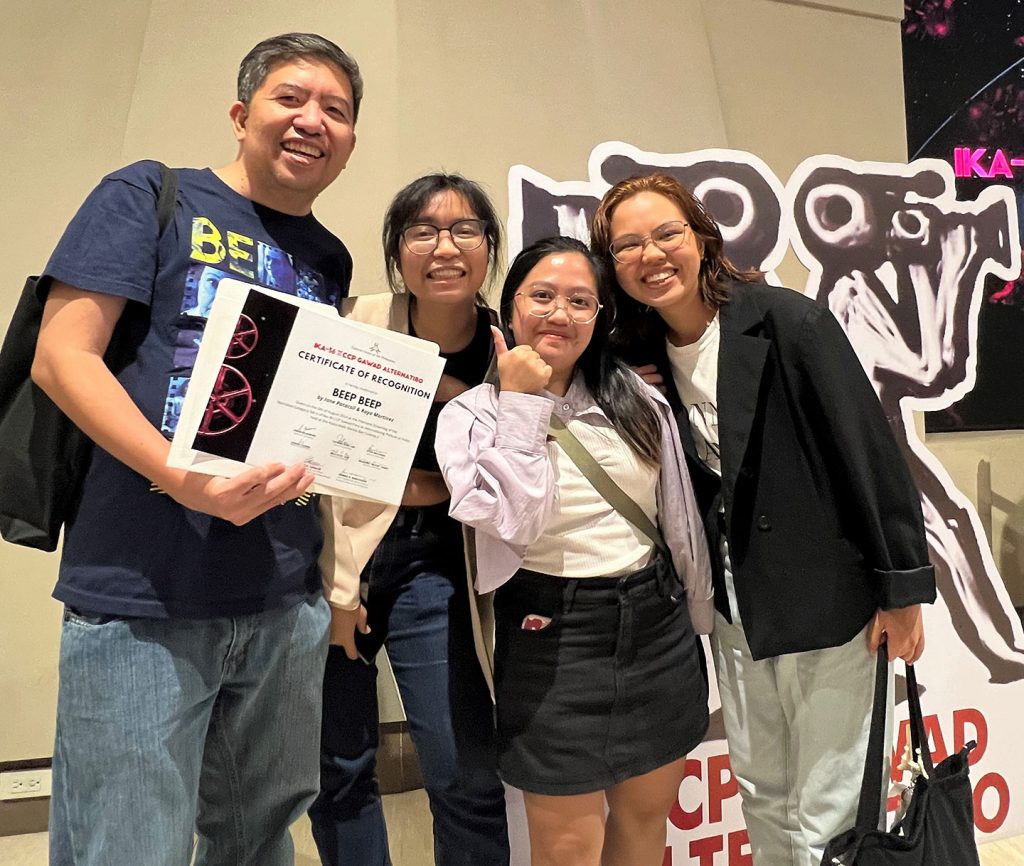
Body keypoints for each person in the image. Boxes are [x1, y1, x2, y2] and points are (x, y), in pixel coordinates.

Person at [31, 32, 361, 866]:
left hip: (283, 596)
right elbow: (61, 356)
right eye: (291, 98)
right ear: (241, 112)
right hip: (143, 590)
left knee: (258, 840)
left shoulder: (328, 256)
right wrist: (181, 476)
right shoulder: (151, 194)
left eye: (336, 109)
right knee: (128, 845)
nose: (311, 120)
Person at [590, 173, 937, 866]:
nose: (651, 254)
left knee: (832, 803)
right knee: (764, 791)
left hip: (828, 600)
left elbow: (867, 451)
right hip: (736, 607)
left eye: (666, 233)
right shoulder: (640, 358)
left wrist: (902, 587)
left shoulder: (783, 320)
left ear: (700, 237)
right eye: (628, 244)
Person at [435, 236, 713, 866]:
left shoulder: (637, 400)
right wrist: (525, 405)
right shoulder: (471, 418)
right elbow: (514, 520)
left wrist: (698, 617)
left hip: (655, 625)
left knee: (645, 823)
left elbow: (678, 522)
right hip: (551, 634)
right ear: (509, 309)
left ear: (600, 317)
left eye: (580, 301)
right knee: (566, 848)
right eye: (542, 296)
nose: (559, 313)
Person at [311, 174, 510, 866]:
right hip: (338, 562)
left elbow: (505, 489)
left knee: (463, 772)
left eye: (464, 230)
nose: (444, 247)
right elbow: (323, 461)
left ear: (490, 246)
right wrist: (339, 592)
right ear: (398, 250)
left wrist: (419, 487)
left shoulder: (508, 350)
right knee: (336, 768)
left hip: (442, 570)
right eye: (422, 231)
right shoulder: (354, 322)